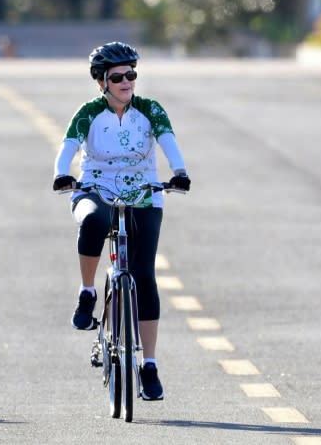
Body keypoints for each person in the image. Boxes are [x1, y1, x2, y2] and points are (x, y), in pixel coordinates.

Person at [52, 41, 190, 401]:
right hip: (95, 188)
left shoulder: (150, 110)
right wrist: (61, 174)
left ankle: (150, 365)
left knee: (144, 276)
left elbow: (168, 141)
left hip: (143, 191)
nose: (127, 81)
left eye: (132, 74)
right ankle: (87, 292)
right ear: (102, 82)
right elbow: (68, 146)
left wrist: (180, 171)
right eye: (118, 77)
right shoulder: (88, 113)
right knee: (94, 222)